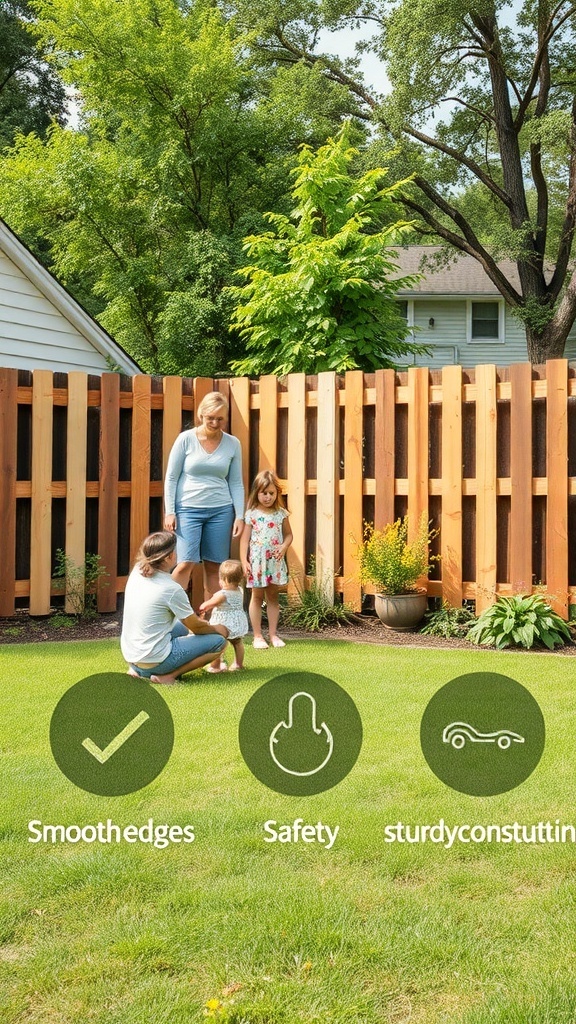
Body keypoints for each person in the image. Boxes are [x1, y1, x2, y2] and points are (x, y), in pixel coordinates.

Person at [163, 391, 245, 599]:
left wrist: (240, 515)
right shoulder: (185, 439)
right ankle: (169, 615)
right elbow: (171, 477)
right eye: (210, 418)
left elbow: (235, 482)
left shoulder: (233, 443)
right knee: (185, 563)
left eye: (220, 419)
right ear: (201, 415)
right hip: (188, 509)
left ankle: (209, 621)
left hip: (221, 511)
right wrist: (170, 512)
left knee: (215, 566)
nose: (215, 423)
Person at [120, 531, 227, 684]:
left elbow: (187, 627)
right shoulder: (171, 589)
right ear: (169, 557)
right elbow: (196, 627)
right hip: (155, 660)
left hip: (132, 656)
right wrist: (218, 628)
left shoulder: (138, 570)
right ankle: (167, 676)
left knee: (181, 628)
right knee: (218, 642)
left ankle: (136, 670)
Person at [240, 469, 293, 649]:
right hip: (257, 563)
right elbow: (244, 540)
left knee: (273, 597)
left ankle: (273, 634)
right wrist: (244, 561)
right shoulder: (252, 514)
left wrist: (284, 546)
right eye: (264, 493)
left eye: (271, 493)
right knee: (256, 596)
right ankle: (257, 635)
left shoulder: (281, 514)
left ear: (277, 493)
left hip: (275, 562)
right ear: (257, 492)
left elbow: (289, 535)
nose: (268, 497)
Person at [199, 559, 249, 673]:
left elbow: (208, 604)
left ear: (223, 580)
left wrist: (203, 606)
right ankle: (238, 664)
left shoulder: (222, 595)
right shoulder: (239, 590)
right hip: (237, 623)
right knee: (237, 643)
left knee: (218, 643)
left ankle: (216, 666)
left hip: (224, 624)